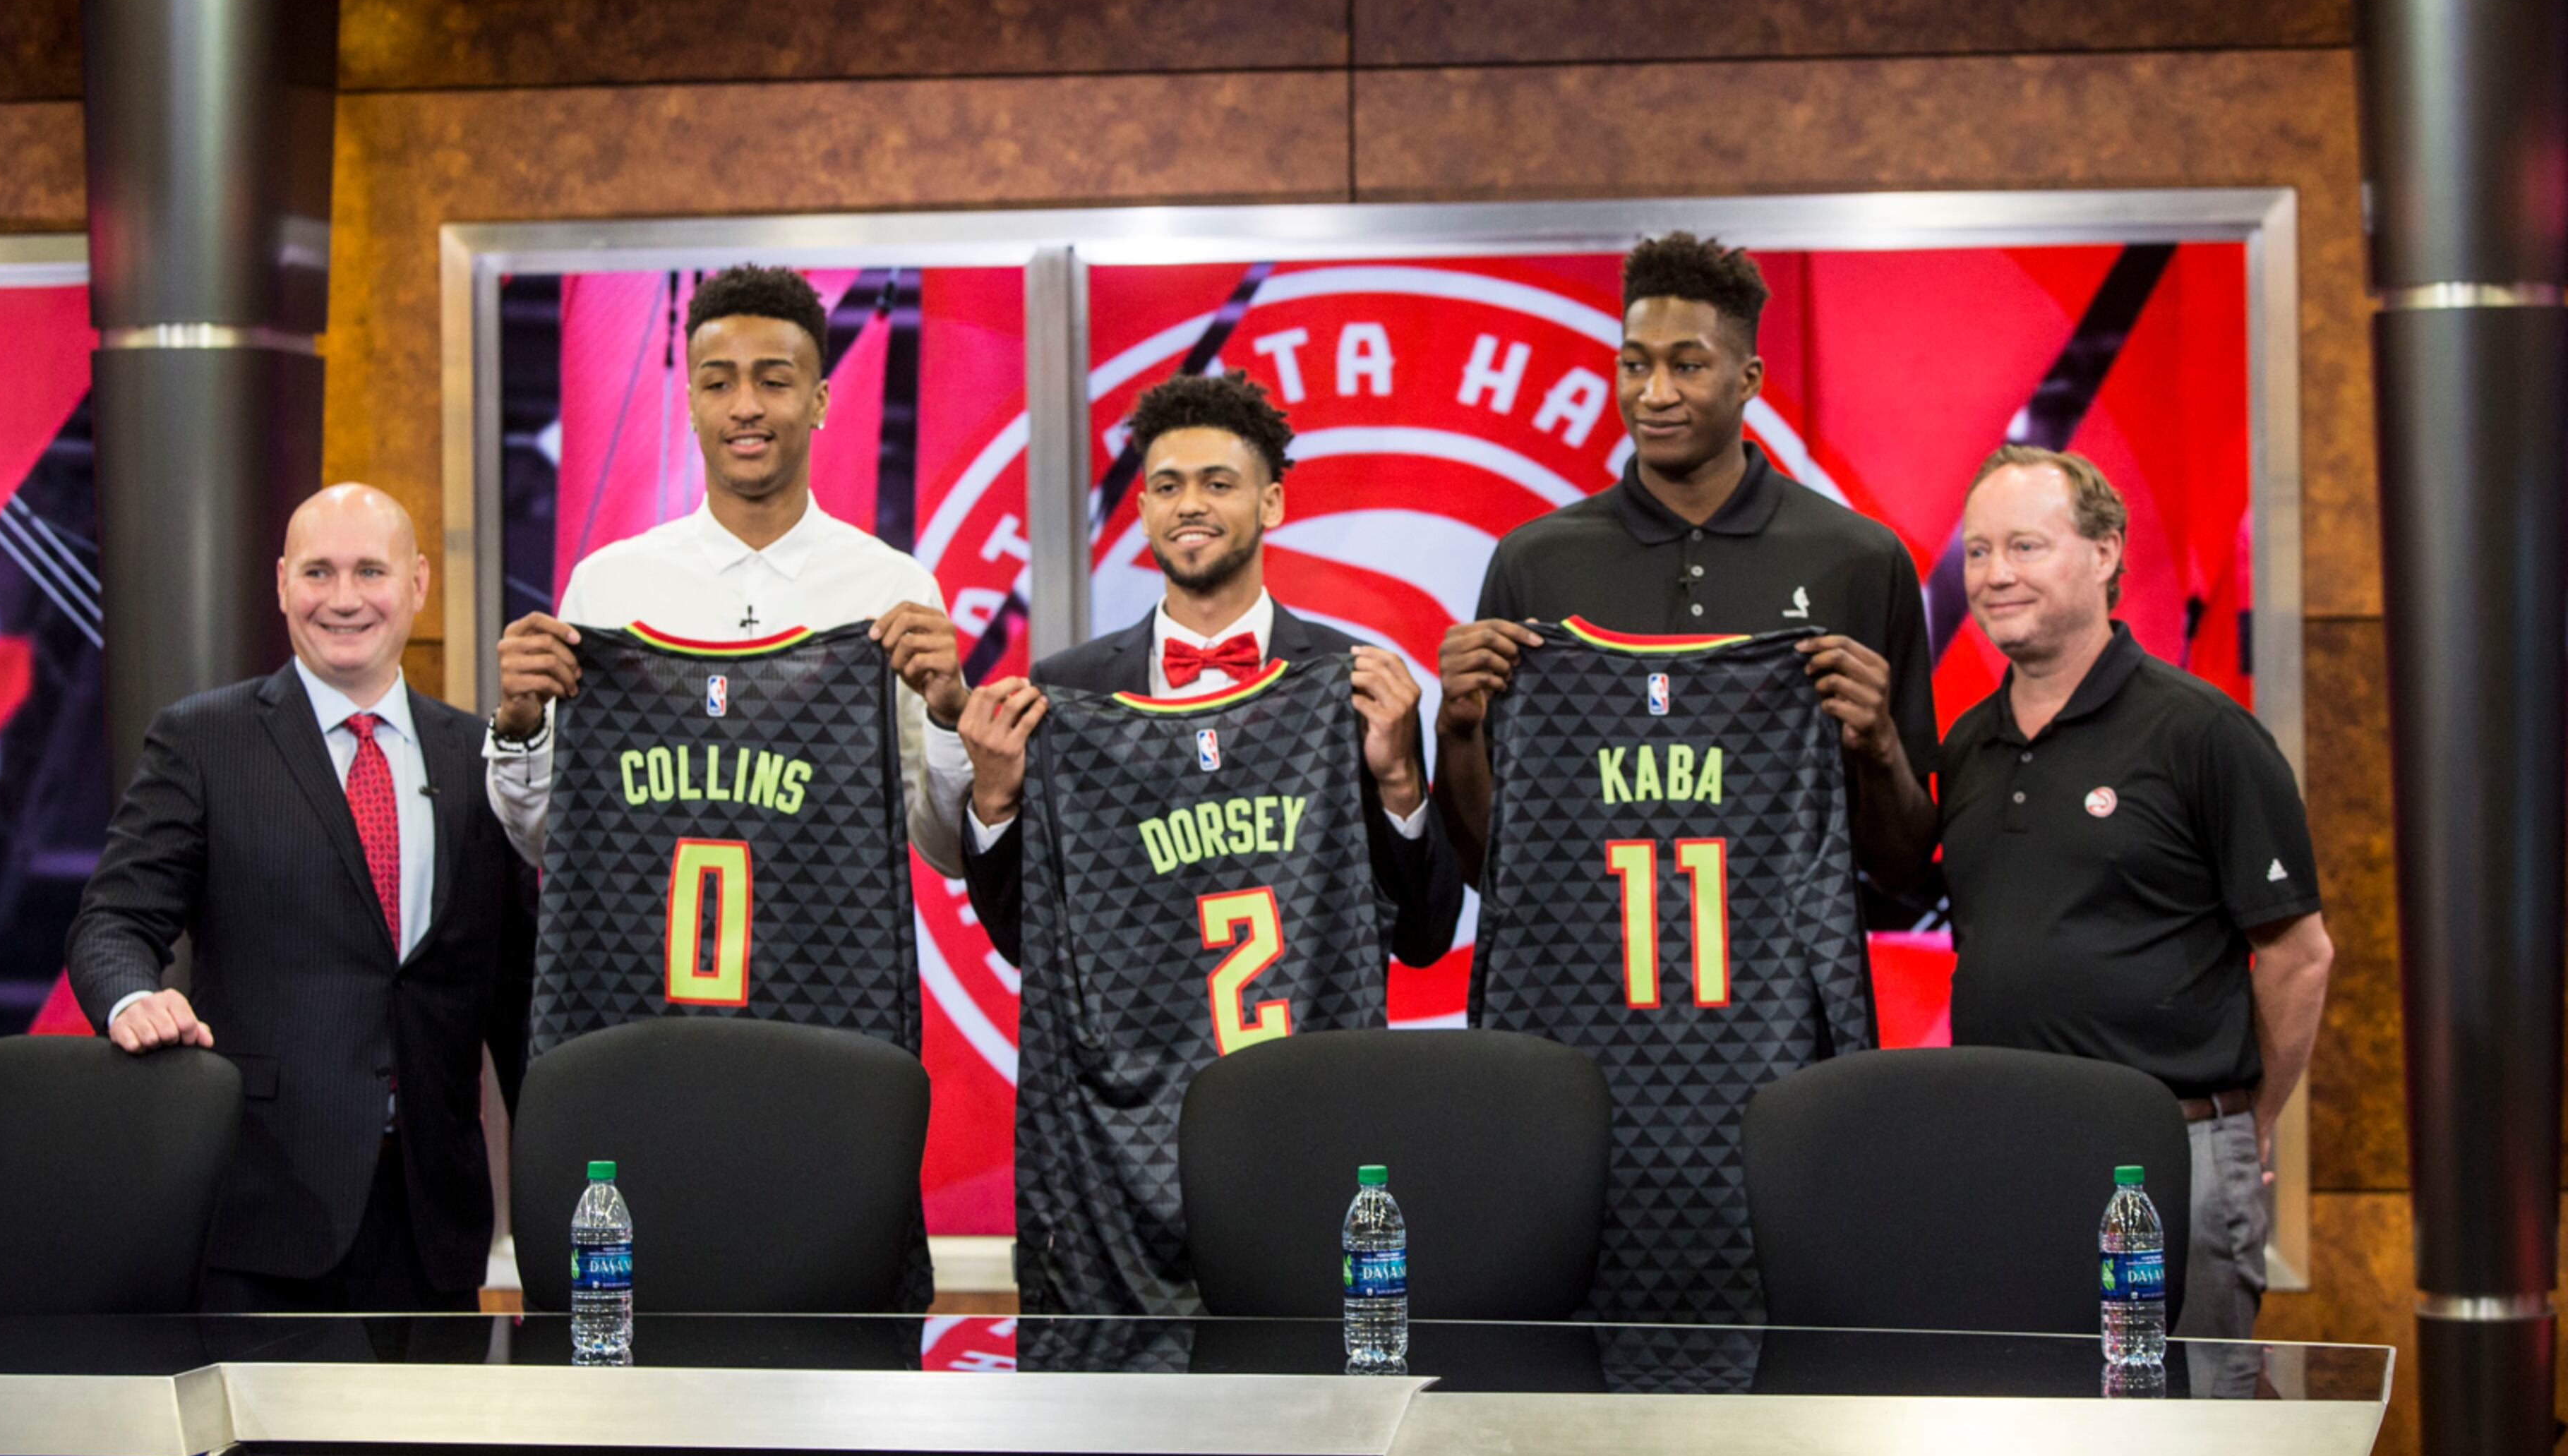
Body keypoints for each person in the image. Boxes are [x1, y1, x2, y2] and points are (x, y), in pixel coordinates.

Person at [66, 483, 538, 1311]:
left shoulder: (480, 757)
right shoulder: (203, 739)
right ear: (282, 583)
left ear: (418, 584)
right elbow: (113, 920)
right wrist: (132, 997)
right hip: (264, 1216)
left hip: (435, 1226)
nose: (344, 599)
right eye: (318, 572)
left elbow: (519, 994)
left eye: (370, 571)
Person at [1936, 445, 2332, 1340]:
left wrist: (2245, 1128)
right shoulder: (1966, 747)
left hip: (2165, 1163)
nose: (1996, 576)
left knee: (2181, 1444)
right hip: (2002, 1157)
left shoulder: (2202, 734)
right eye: (1978, 552)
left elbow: (2299, 955)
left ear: (2107, 551)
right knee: (2028, 1440)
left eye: (2026, 547)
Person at [1434, 231, 1938, 897]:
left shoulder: (1859, 559)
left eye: (1689, 366)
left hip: (1786, 995)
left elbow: (1904, 869)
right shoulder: (1534, 560)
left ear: (1749, 378)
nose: (1654, 393)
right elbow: (1487, 868)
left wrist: (1879, 749)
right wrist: (1456, 731)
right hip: (1582, 990)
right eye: (1635, 365)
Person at [486, 265, 973, 879]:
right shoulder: (607, 589)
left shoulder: (892, 591)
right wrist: (520, 731)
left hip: (832, 969)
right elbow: (548, 840)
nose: (745, 406)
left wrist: (950, 716)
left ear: (819, 400)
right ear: (690, 403)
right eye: (718, 384)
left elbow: (946, 849)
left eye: (773, 381)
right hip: (645, 967)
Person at [956, 371, 1458, 966]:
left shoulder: (1356, 684)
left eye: (1217, 483)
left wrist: (1400, 782)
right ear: (1143, 511)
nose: (1190, 504)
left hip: (1311, 1056)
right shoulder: (1067, 687)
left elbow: (1423, 938)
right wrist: (992, 803)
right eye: (1168, 487)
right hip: (1134, 1056)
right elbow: (1025, 944)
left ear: (1271, 502)